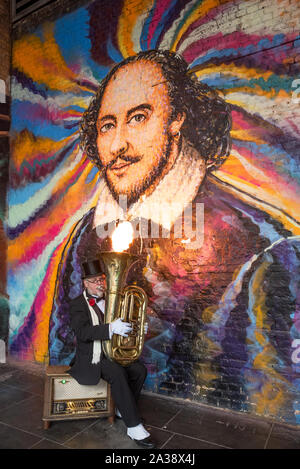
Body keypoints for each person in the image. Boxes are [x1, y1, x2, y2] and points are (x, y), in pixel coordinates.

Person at [47, 50, 299, 422]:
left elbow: (270, 401)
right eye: (106, 125)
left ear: (177, 118)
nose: (116, 146)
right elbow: (63, 344)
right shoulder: (84, 234)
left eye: (138, 118)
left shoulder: (264, 250)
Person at [68, 258, 155, 449]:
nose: (100, 283)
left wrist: (138, 327)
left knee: (139, 370)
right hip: (92, 357)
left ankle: (123, 411)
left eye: (102, 279)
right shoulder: (77, 304)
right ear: (85, 283)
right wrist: (109, 328)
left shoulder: (111, 300)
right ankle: (134, 426)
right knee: (116, 371)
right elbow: (82, 333)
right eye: (95, 280)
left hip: (111, 353)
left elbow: (121, 326)